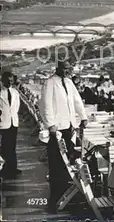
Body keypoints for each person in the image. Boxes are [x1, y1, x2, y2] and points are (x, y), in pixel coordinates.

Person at [39, 60, 88, 213]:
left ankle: (66, 192)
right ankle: (54, 197)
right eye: (66, 69)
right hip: (57, 129)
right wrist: (50, 124)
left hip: (69, 127)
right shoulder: (50, 83)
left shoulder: (68, 82)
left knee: (68, 160)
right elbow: (45, 105)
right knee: (56, 163)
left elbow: (77, 100)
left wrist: (83, 117)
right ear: (59, 69)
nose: (68, 71)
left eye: (69, 69)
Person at [0, 71, 21, 179]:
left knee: (12, 146)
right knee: (4, 147)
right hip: (3, 123)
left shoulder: (15, 92)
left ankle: (13, 168)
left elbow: (17, 106)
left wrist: (13, 116)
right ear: (2, 81)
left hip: (13, 122)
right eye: (8, 81)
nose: (10, 83)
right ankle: (3, 169)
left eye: (11, 81)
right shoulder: (0, 92)